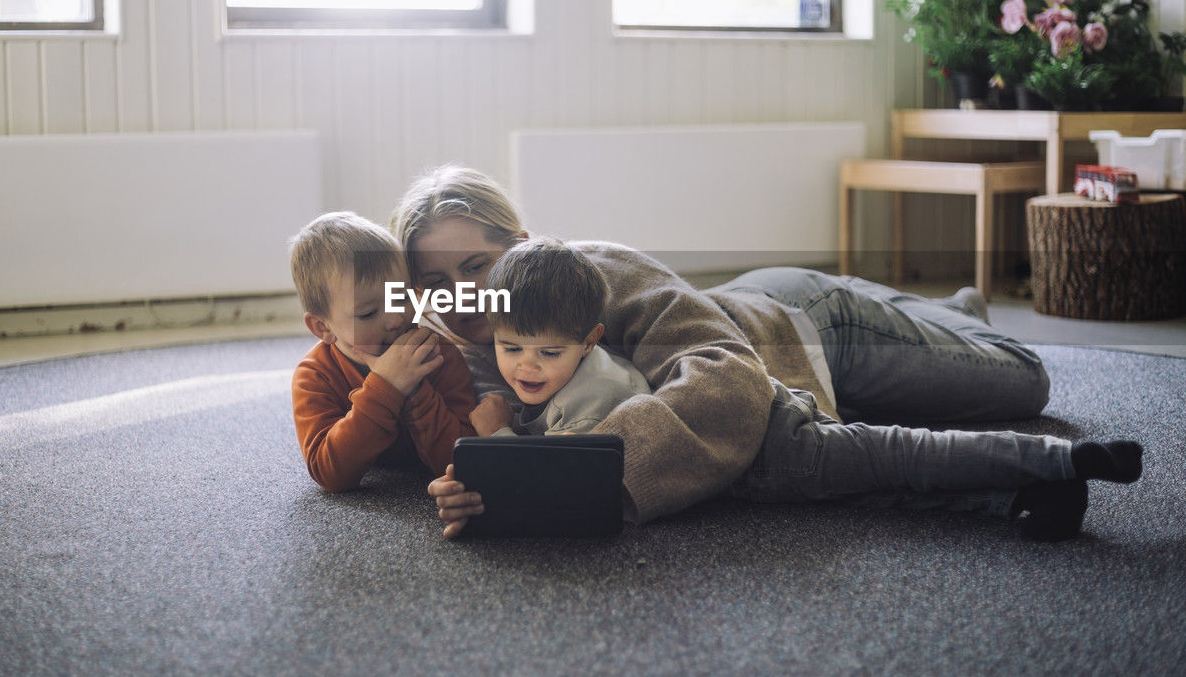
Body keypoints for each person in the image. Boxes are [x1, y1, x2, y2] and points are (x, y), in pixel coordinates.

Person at [393, 166, 1143, 541]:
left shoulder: (588, 275)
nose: (460, 294)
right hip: (748, 325)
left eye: (474, 267)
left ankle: (956, 311)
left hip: (802, 326)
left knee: (1023, 380)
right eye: (434, 281)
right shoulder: (443, 352)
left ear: (519, 247)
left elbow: (721, 370)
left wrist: (580, 473)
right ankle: (936, 314)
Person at [288, 211, 476, 493]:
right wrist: (386, 387)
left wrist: (415, 391)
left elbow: (460, 460)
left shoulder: (439, 353)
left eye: (401, 297)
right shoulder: (315, 375)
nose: (395, 319)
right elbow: (329, 474)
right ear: (322, 327)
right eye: (368, 313)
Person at [466, 236, 650, 439]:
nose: (527, 367)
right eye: (512, 349)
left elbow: (543, 470)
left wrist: (496, 431)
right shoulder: (566, 370)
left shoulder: (585, 411)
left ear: (589, 342)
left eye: (549, 353)